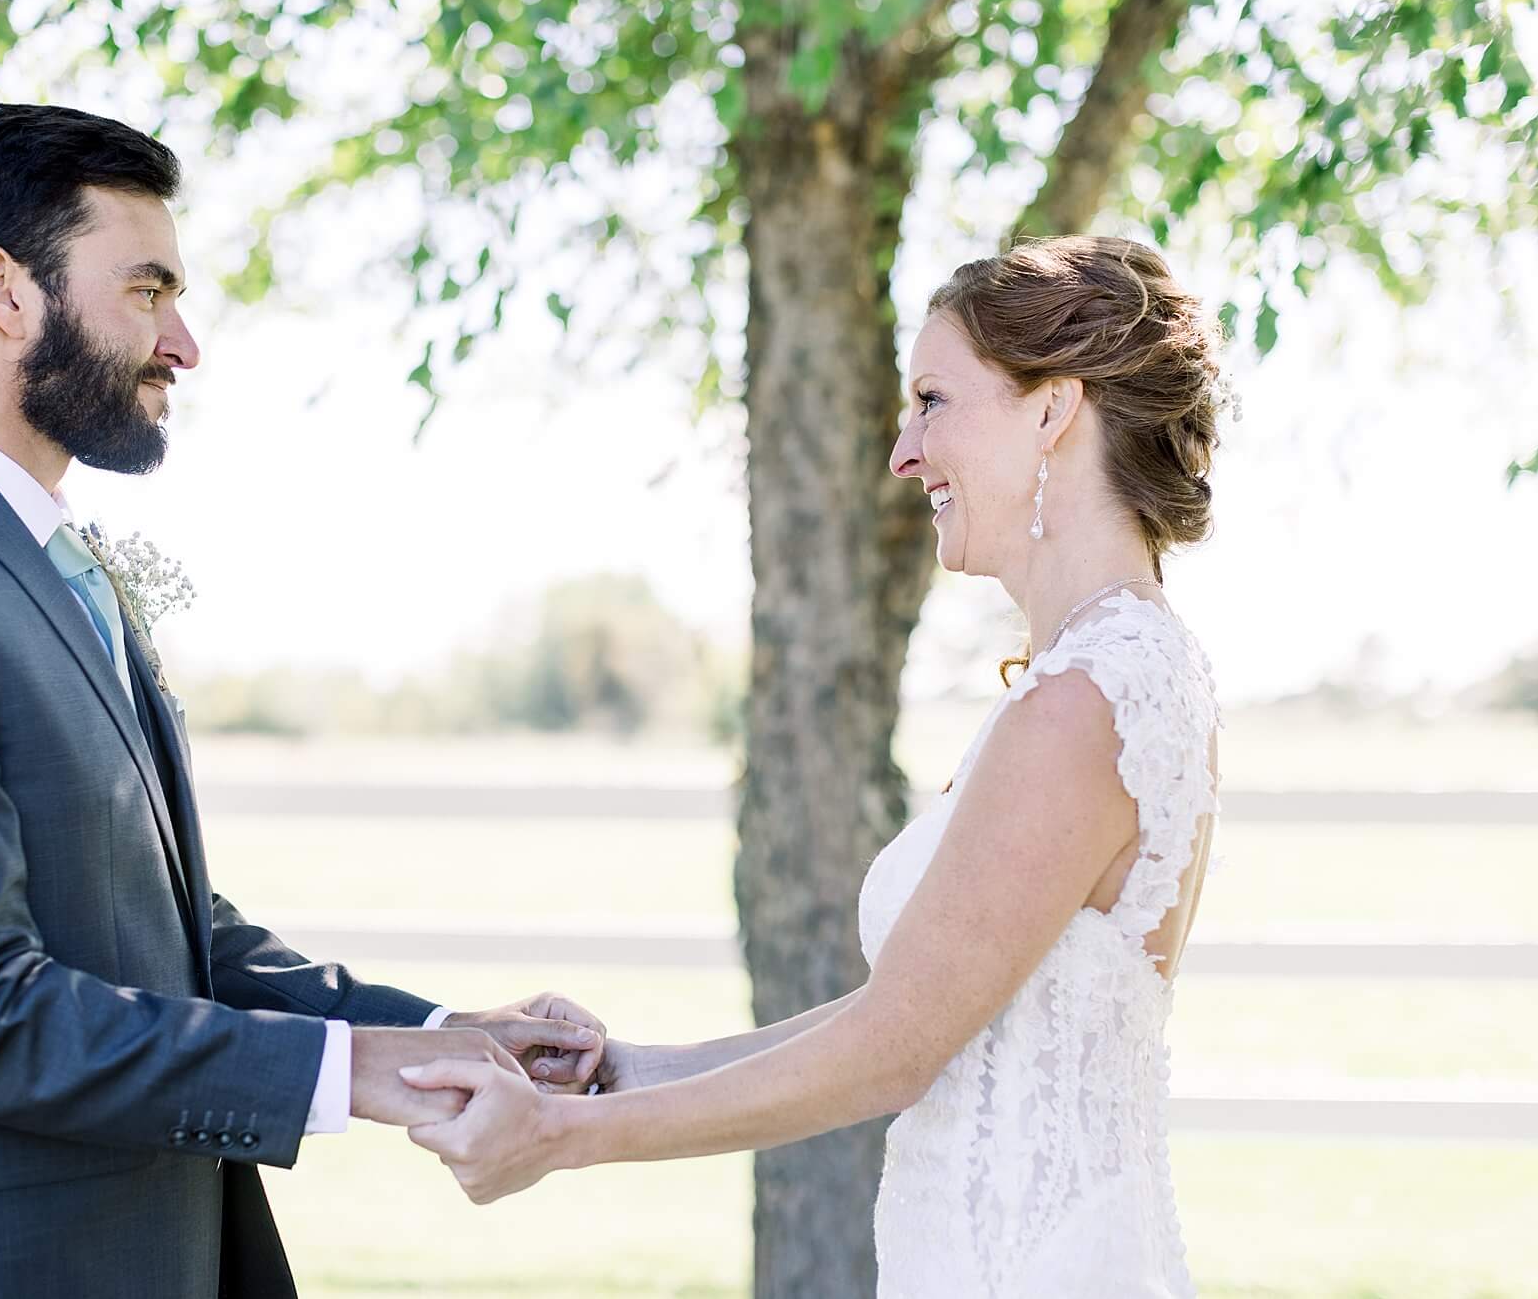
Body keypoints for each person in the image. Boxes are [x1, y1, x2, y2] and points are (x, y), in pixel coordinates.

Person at [0, 103, 604, 1299]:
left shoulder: (36, 559)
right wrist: (346, 1071)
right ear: (4, 291)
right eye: (146, 290)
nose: (182, 341)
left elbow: (164, 936)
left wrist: (444, 1032)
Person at [402, 235, 1228, 1299]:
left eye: (931, 399)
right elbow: (916, 1010)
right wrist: (626, 1069)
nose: (901, 450)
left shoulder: (1082, 705)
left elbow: (893, 1049)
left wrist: (566, 1133)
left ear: (1049, 411)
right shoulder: (1124, 672)